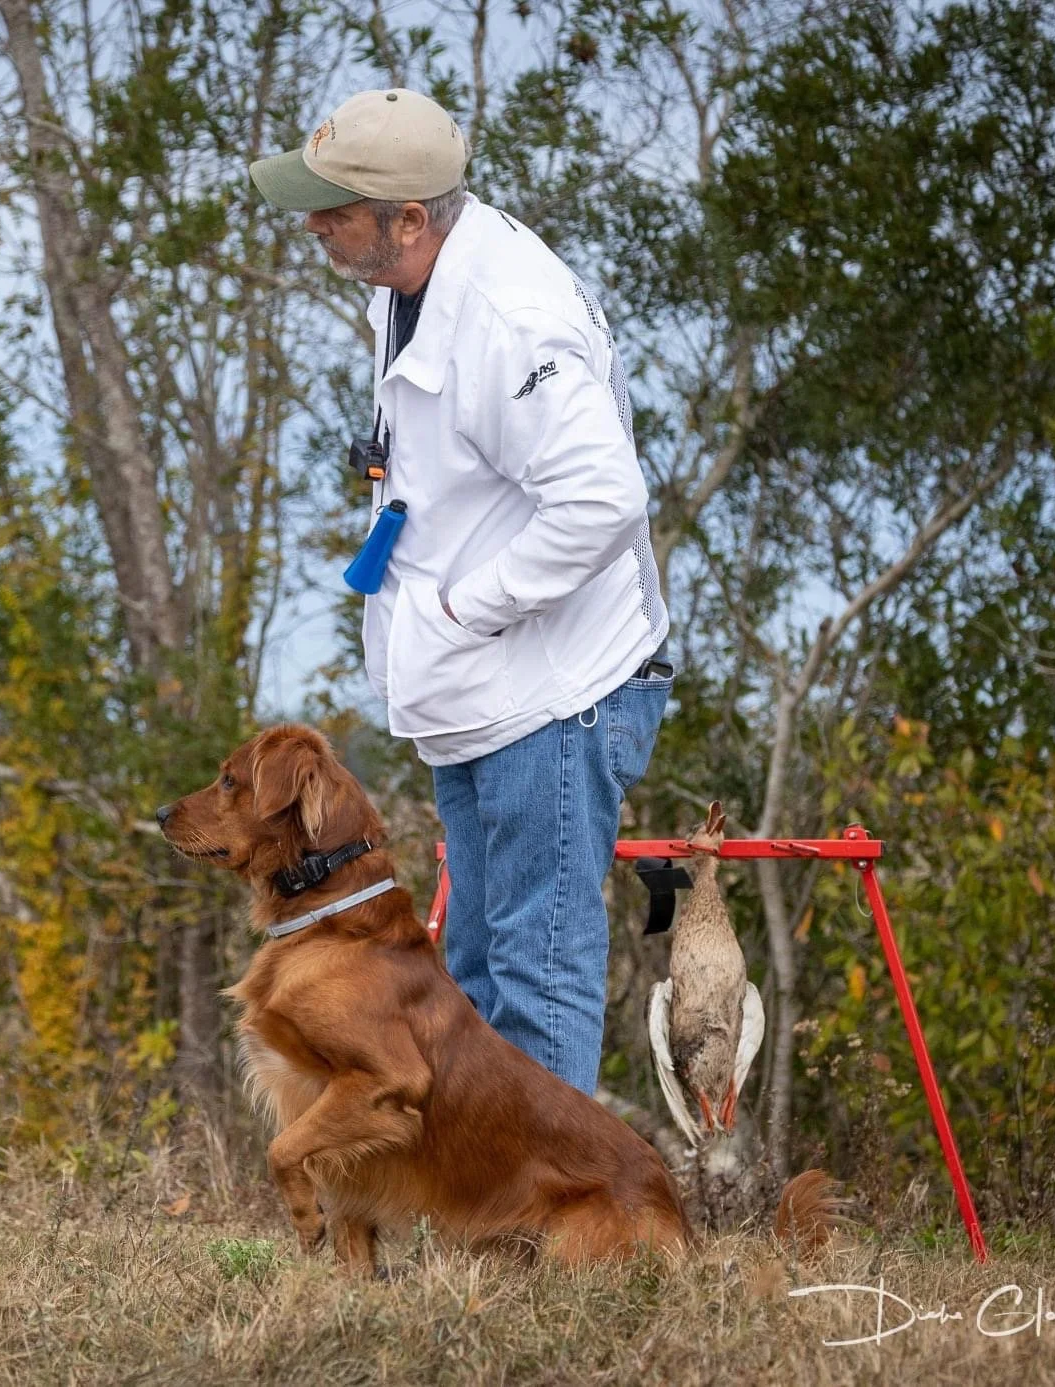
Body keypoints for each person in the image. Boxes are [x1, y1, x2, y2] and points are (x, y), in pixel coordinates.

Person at [249, 89, 672, 1095]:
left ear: (408, 218)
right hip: (479, 697)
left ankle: (548, 1235)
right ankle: (493, 1224)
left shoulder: (509, 318)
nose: (311, 223)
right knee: (475, 977)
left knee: (535, 975)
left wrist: (459, 609)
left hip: (551, 700)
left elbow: (603, 500)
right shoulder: (410, 282)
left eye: (333, 207)